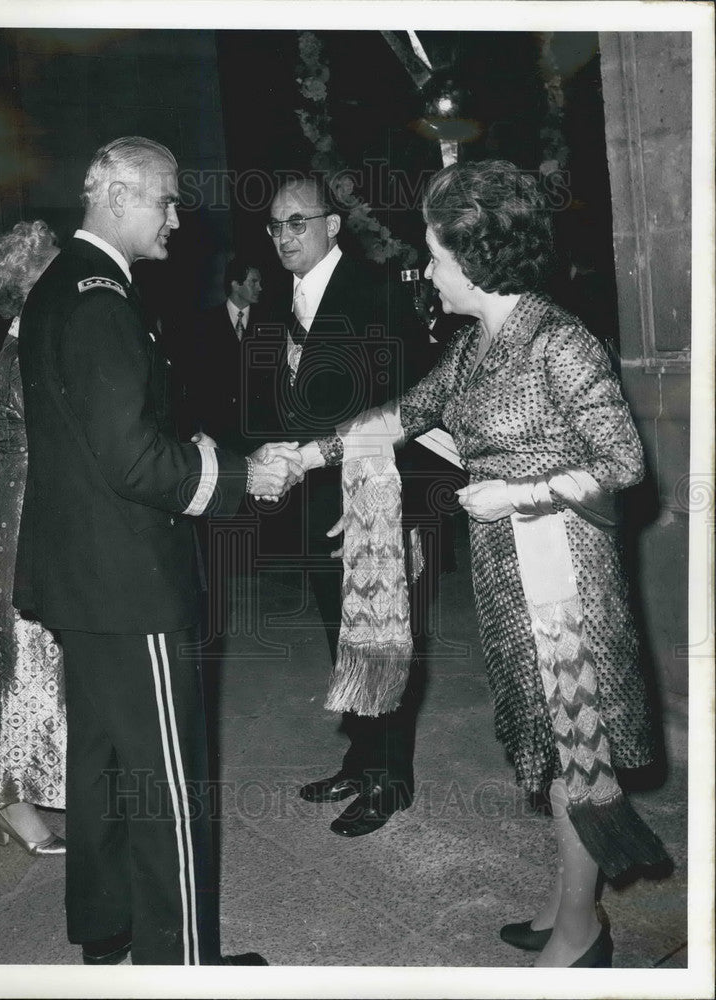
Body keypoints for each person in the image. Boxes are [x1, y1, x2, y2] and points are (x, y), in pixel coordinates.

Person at [298, 159, 670, 967]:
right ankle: (569, 906)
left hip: (564, 580)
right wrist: (304, 458)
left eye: (435, 253)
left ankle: (579, 933)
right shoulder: (478, 344)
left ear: (477, 258)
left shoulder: (560, 342)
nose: (427, 269)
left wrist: (517, 494)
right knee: (549, 738)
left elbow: (623, 463)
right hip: (512, 574)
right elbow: (406, 413)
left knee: (578, 748)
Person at [13, 136, 302, 966]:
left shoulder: (66, 286)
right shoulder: (103, 299)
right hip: (132, 583)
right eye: (166, 200)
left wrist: (210, 451)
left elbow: (110, 436)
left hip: (88, 579)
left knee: (104, 771)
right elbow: (132, 459)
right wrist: (243, 478)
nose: (178, 218)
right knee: (168, 783)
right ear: (115, 195)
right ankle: (183, 965)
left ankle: (110, 938)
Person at [250, 176, 431, 838]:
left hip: (372, 499)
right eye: (275, 226)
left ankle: (393, 777)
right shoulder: (277, 301)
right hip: (310, 499)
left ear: (333, 226)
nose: (284, 237)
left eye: (297, 222)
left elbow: (411, 405)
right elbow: (270, 397)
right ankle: (363, 757)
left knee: (383, 636)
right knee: (342, 635)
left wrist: (382, 505)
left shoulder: (377, 292)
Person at [0, 220, 66, 857]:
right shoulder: (25, 351)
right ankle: (10, 801)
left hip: (28, 510)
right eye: (51, 271)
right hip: (23, 515)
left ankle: (24, 792)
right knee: (21, 661)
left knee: (36, 658)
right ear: (26, 285)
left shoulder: (29, 341)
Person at [180, 257, 264, 452]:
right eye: (254, 282)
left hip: (258, 430)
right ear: (235, 284)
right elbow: (196, 378)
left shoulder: (268, 321)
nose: (260, 287)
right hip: (219, 430)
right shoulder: (205, 323)